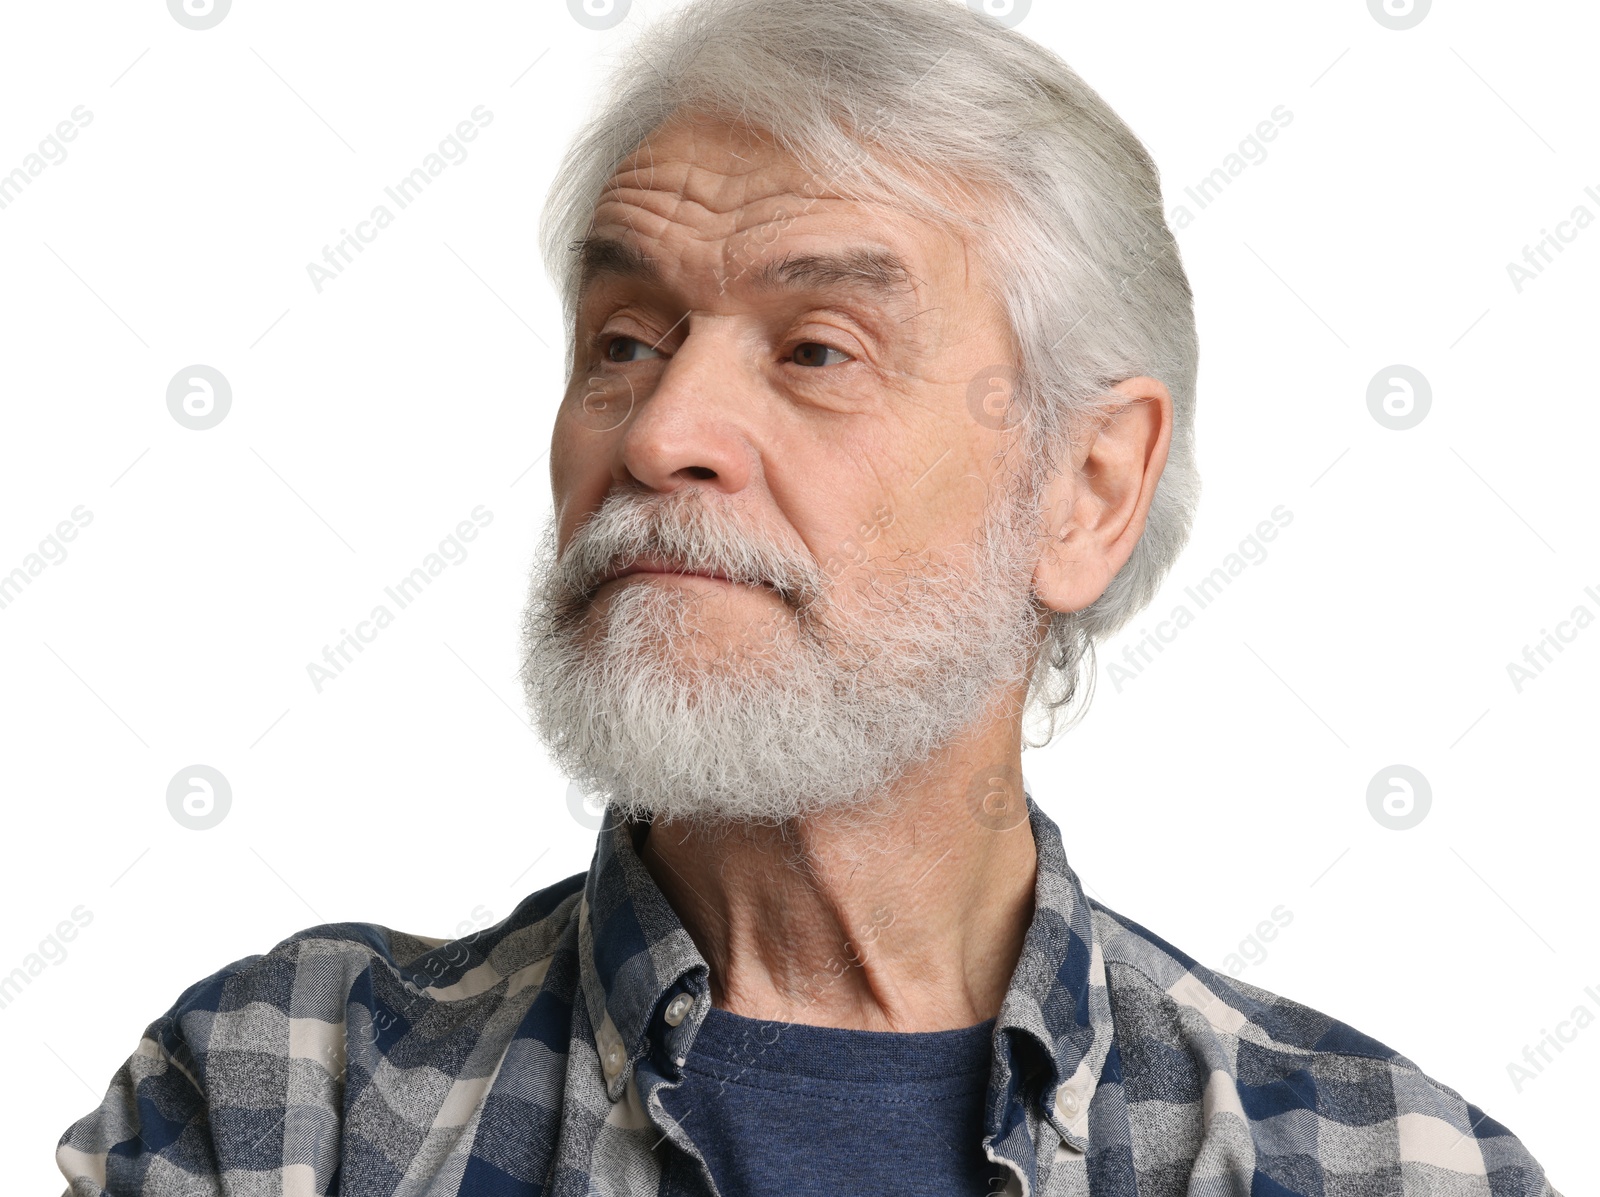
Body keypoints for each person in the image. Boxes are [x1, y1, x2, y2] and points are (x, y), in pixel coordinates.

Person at [58, 0, 1559, 1193]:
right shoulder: (279, 1109)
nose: (657, 435)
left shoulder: (1386, 1168)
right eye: (627, 338)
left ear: (1086, 490)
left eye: (817, 349)